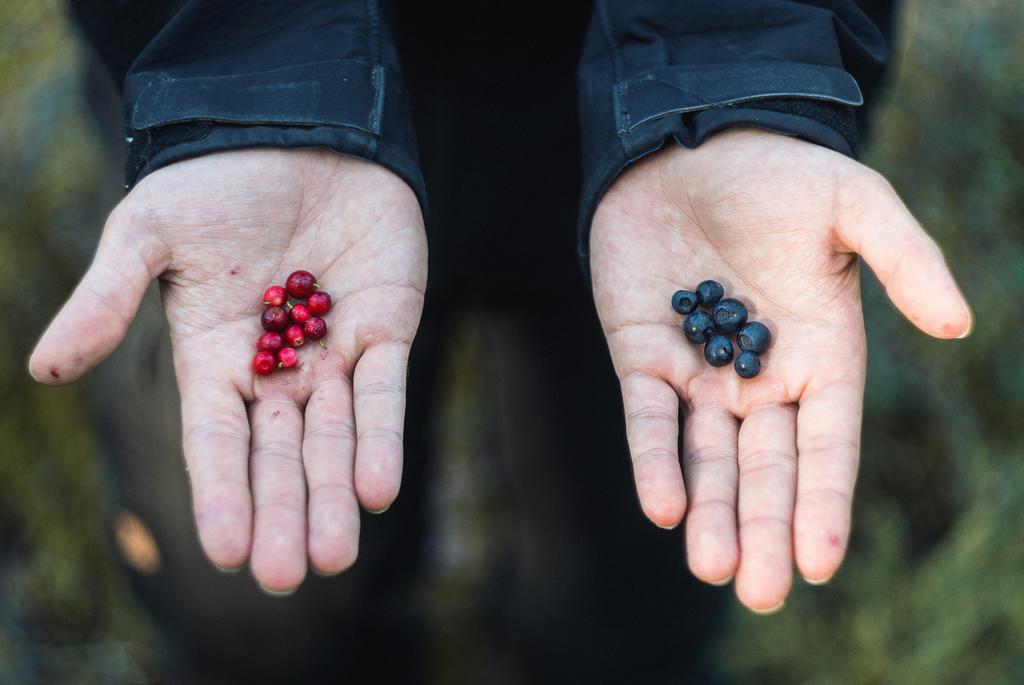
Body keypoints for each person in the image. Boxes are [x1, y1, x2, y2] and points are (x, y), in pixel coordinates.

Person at [32, 1, 971, 682]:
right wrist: (242, 78)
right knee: (262, 617)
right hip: (242, 142)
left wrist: (737, 64)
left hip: (652, 139)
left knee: (624, 589)